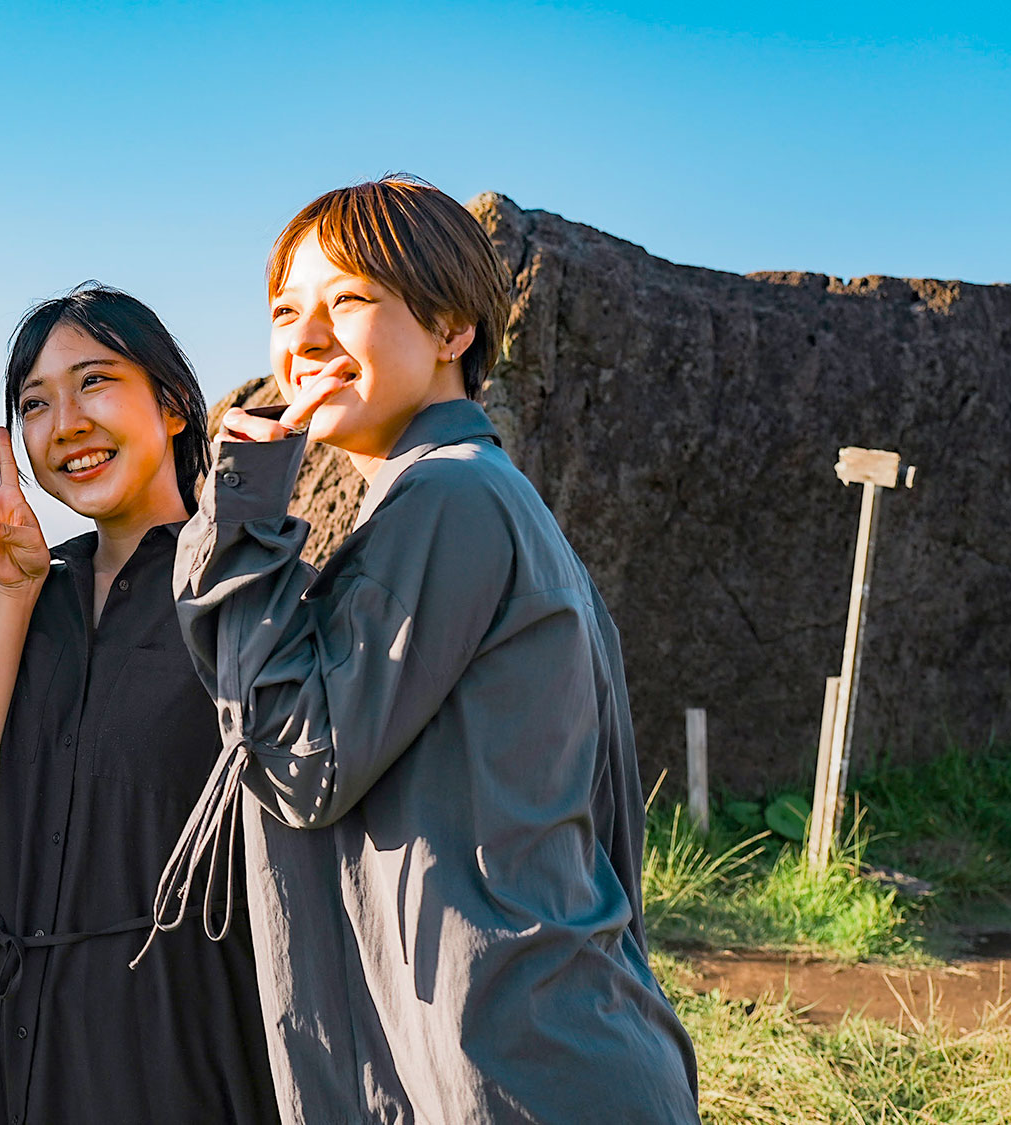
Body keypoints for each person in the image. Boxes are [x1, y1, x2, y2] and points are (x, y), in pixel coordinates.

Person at [153, 177, 702, 1124]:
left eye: (350, 301)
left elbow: (300, 761)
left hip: (512, 1072)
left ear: (452, 328)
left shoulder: (447, 498)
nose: (305, 339)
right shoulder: (487, 498)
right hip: (539, 1052)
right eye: (287, 310)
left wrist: (238, 521)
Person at [0, 286, 279, 1124]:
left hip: (167, 1029)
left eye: (95, 382)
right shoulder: (36, 592)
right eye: (36, 403)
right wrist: (11, 592)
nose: (67, 422)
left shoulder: (239, 580)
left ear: (173, 406)